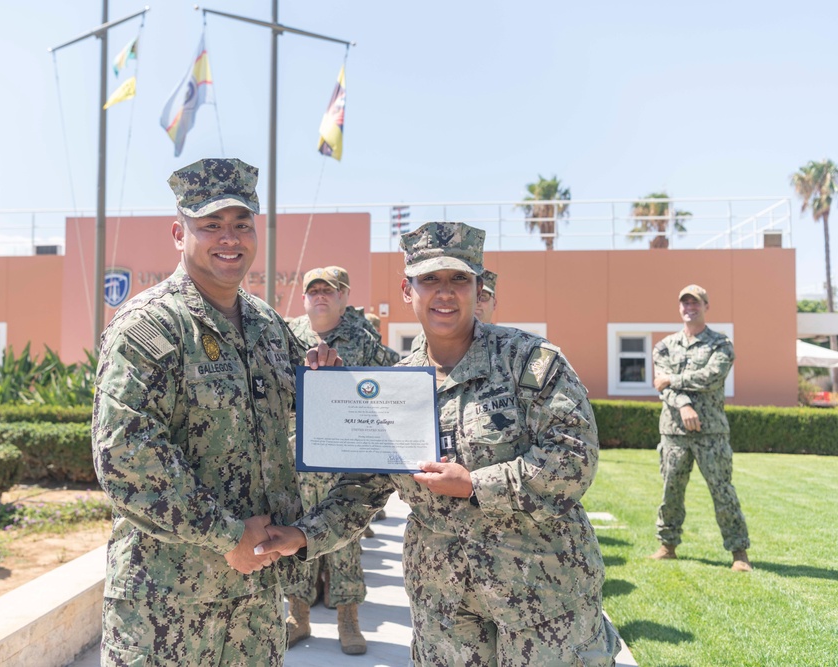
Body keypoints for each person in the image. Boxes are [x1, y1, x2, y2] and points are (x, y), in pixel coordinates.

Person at [258, 222, 620, 666]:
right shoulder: (397, 387)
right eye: (429, 279)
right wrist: (301, 535)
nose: (444, 293)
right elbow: (362, 488)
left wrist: (475, 485)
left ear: (478, 286)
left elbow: (573, 460)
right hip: (445, 607)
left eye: (459, 279)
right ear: (408, 291)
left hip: (542, 599)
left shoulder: (530, 361)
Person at [91, 158, 307, 666]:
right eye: (210, 225)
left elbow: (306, 416)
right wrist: (228, 535)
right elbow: (124, 455)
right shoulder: (150, 326)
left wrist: (329, 379)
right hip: (165, 609)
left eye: (241, 224)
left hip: (252, 607)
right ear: (178, 232)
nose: (228, 238)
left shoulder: (267, 327)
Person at [284, 265, 399, 654]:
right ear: (304, 298)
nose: (320, 296)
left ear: (344, 296)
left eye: (328, 290)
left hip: (344, 456)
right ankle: (297, 616)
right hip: (297, 455)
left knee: (344, 539)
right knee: (296, 536)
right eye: (313, 290)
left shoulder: (361, 339)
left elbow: (394, 377)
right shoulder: (288, 335)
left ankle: (348, 621)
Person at [650, 284, 752, 572]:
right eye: (685, 303)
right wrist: (683, 404)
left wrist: (672, 379)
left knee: (722, 491)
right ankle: (667, 546)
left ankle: (739, 552)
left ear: (706, 306)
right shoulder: (664, 346)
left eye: (695, 303)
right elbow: (661, 387)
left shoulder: (721, 344)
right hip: (674, 432)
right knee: (671, 491)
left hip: (711, 433)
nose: (689, 308)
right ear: (679, 307)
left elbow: (711, 377)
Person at [410, 268, 497, 352]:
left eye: (483, 297)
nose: (477, 303)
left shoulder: (506, 346)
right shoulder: (420, 343)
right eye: (430, 279)